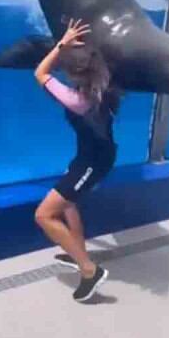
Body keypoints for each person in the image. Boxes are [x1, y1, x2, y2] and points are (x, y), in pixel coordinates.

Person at [33, 18, 121, 302]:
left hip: (92, 162)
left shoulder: (77, 100)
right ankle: (77, 251)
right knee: (68, 203)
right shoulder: (105, 82)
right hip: (93, 154)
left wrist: (61, 45)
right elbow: (94, 56)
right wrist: (75, 42)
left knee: (44, 215)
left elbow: (40, 73)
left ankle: (88, 270)